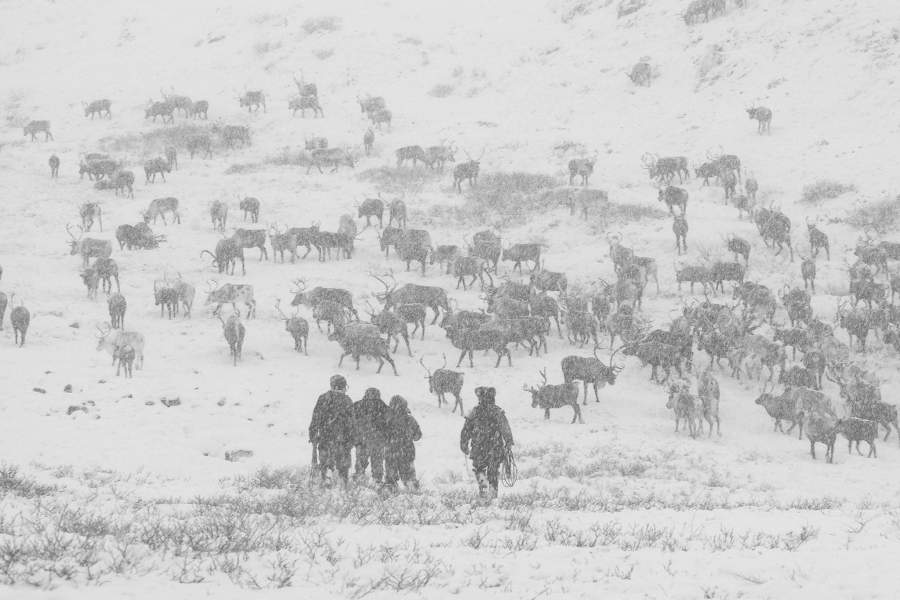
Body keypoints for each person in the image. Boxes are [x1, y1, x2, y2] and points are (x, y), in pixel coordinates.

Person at [460, 386, 514, 500]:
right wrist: (508, 442)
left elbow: (466, 430)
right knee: (493, 471)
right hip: (495, 447)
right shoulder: (497, 411)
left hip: (478, 447)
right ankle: (493, 494)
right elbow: (505, 428)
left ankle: (483, 485)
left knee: (479, 468)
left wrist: (464, 443)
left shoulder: (474, 412)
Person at [308, 375, 354, 486]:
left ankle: (326, 480)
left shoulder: (323, 398)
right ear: (341, 386)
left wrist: (313, 435)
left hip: (325, 437)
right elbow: (352, 423)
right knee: (343, 468)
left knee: (325, 463)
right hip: (342, 440)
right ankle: (342, 486)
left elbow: (315, 418)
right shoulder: (347, 400)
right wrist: (351, 440)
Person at [384, 395, 422, 492]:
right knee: (409, 478)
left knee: (390, 479)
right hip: (407, 452)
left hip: (391, 453)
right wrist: (408, 437)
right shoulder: (410, 419)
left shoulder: (387, 418)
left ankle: (391, 494)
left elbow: (382, 435)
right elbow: (418, 436)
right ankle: (413, 493)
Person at [352, 387, 389, 484]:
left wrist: (354, 437)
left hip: (362, 440)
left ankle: (359, 481)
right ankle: (377, 482)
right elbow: (390, 422)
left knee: (360, 463)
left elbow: (350, 421)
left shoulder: (357, 405)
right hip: (378, 441)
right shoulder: (383, 407)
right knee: (377, 464)